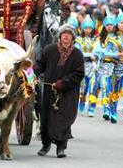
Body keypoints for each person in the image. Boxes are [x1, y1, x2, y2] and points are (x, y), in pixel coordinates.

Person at [35, 24, 84, 158]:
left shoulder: (77, 54)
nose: (66, 36)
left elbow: (79, 74)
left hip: (68, 92)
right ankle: (46, 145)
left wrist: (62, 83)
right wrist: (32, 75)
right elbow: (39, 65)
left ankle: (61, 148)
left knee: (64, 118)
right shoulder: (50, 50)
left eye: (69, 34)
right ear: (60, 36)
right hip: (49, 90)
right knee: (45, 118)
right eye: (64, 34)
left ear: (73, 37)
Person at [75, 15, 97, 117]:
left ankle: (91, 108)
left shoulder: (96, 40)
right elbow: (78, 52)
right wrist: (90, 55)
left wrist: (96, 56)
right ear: (82, 29)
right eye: (86, 28)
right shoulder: (78, 40)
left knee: (93, 87)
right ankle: (81, 104)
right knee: (83, 88)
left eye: (89, 28)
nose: (88, 30)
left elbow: (98, 51)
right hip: (83, 66)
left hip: (93, 66)